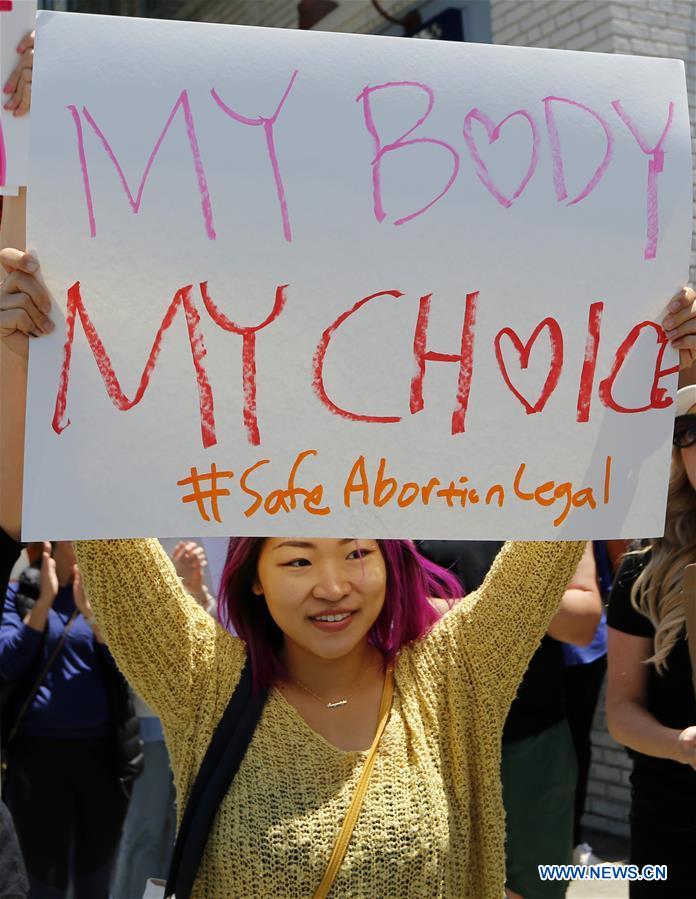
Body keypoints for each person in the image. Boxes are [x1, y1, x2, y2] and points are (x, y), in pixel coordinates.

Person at [3, 244, 694, 897]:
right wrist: (26, 346)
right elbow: (90, 505)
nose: (332, 584)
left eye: (357, 552)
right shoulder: (201, 681)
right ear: (254, 576)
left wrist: (667, 368)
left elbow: (571, 506)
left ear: (395, 567)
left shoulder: (454, 675)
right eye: (298, 559)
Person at [419, 540, 602, 899]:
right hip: (428, 742)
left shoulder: (552, 498)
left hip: (534, 742)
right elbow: (382, 609)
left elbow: (583, 622)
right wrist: (525, 600)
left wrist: (459, 609)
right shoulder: (404, 492)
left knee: (536, 888)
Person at [0, 542, 143, 899]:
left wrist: (93, 618)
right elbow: (6, 662)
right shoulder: (20, 591)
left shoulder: (105, 595)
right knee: (43, 878)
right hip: (36, 758)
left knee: (95, 877)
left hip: (102, 758)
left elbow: (132, 672)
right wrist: (44, 603)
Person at [606, 384, 696, 897]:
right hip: (672, 834)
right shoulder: (645, 568)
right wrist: (683, 746)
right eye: (687, 432)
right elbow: (622, 711)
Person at [112, 541, 214, 899]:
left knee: (184, 834)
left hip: (201, 732)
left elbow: (209, 645)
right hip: (154, 730)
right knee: (146, 830)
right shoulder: (133, 558)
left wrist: (195, 588)